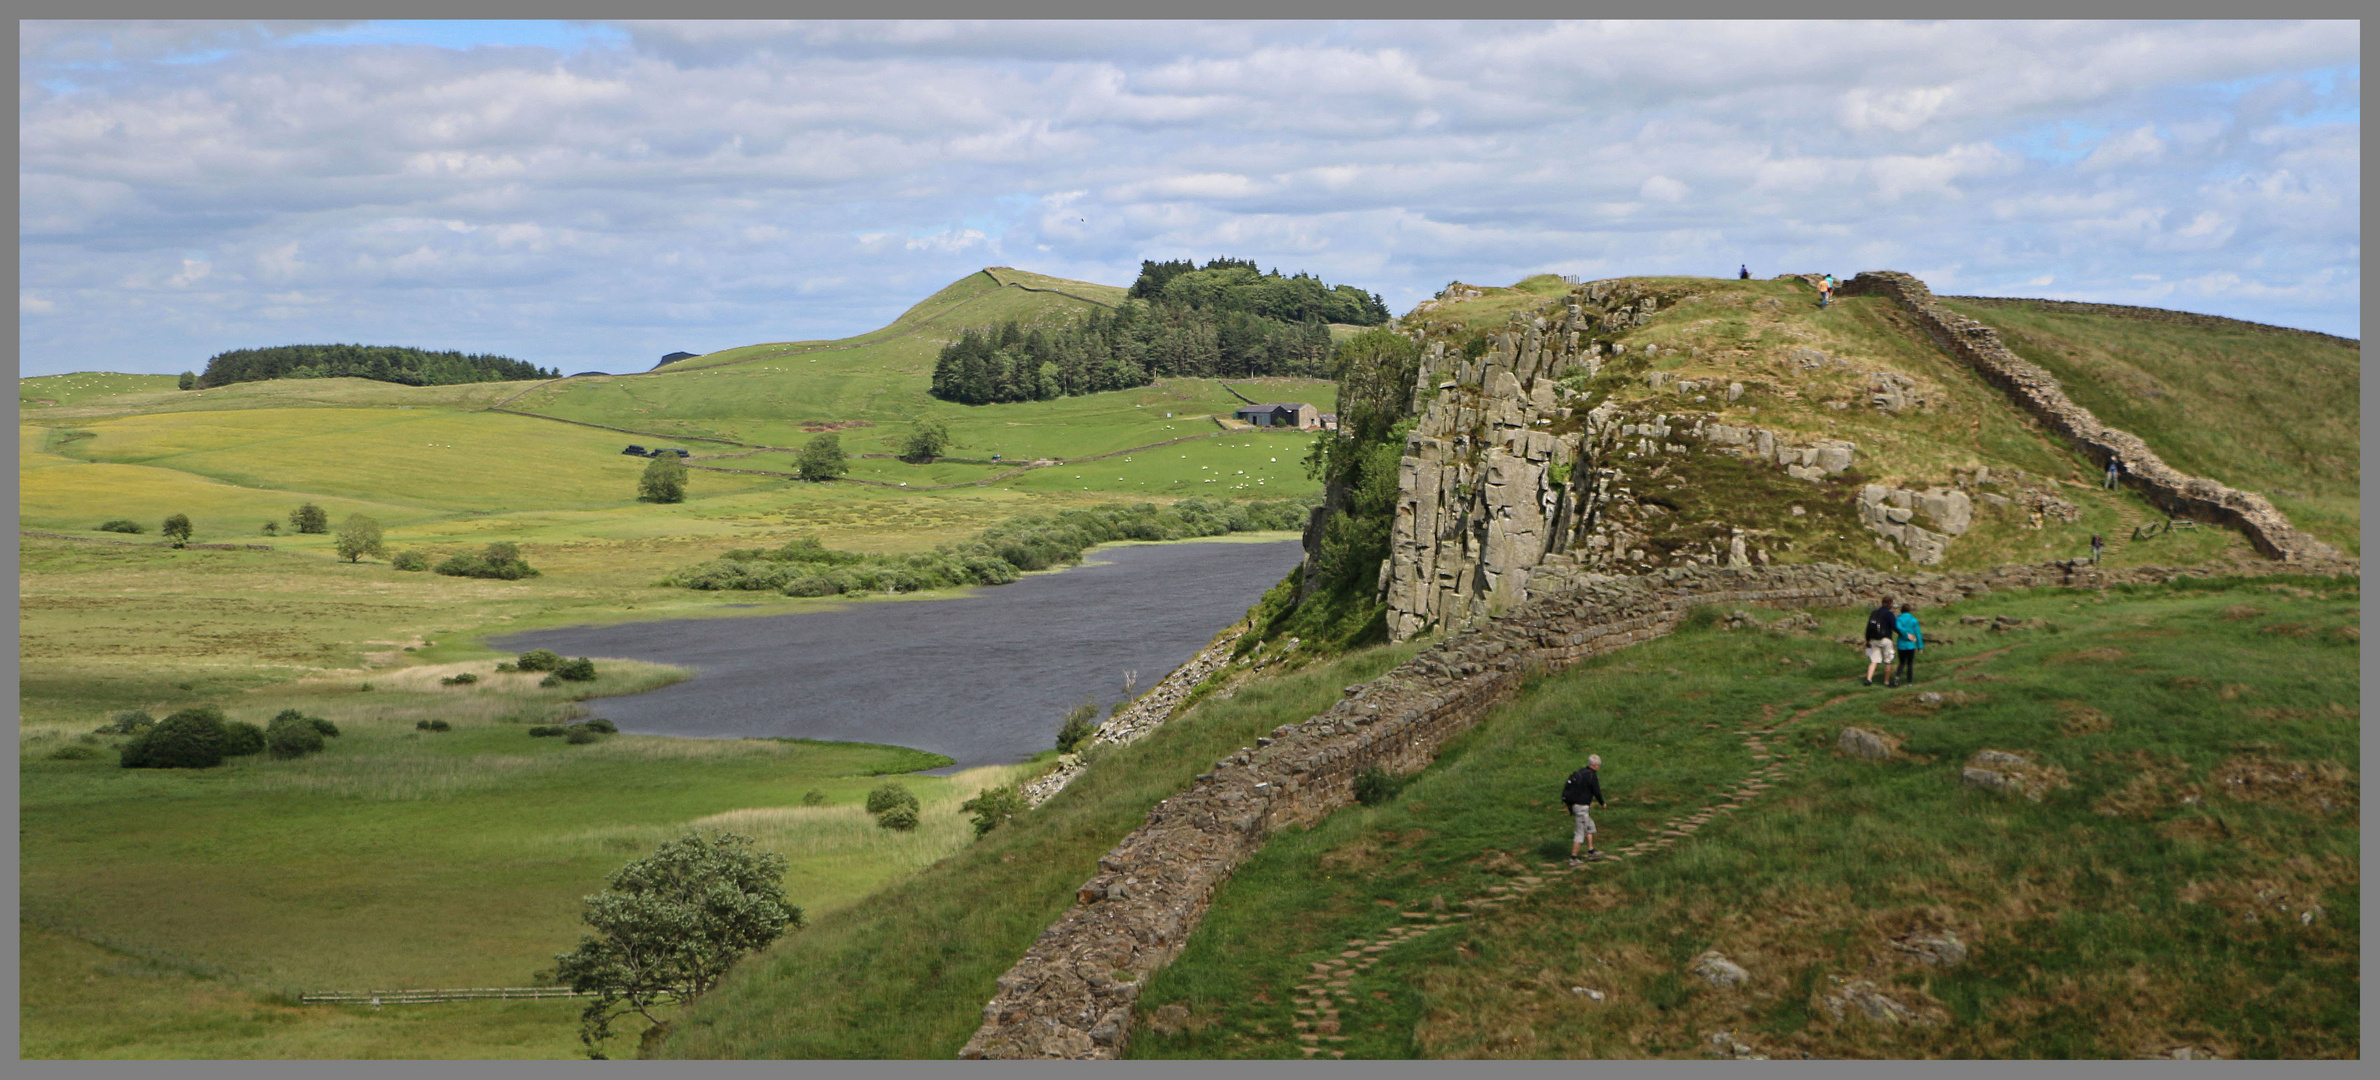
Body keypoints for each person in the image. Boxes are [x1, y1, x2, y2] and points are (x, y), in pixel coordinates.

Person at [1562, 755, 1608, 865]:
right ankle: (1573, 858)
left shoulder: (1581, 772)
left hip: (1576, 806)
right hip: (1582, 808)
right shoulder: (1592, 776)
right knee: (1580, 833)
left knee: (1590, 827)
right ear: (1596, 765)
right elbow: (1597, 791)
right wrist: (1602, 803)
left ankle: (1591, 851)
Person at [1862, 595, 1897, 686]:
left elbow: (1869, 627)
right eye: (1891, 603)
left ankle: (1869, 679)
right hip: (1886, 639)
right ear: (1889, 604)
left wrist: (1867, 640)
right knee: (1888, 661)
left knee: (1874, 661)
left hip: (1874, 639)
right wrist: (1902, 634)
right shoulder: (1889, 614)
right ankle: (1886, 682)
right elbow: (1894, 626)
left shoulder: (1874, 613)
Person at [1892, 603, 1923, 687]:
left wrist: (1905, 634)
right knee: (1910, 663)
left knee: (1901, 662)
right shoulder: (1914, 620)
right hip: (1910, 645)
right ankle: (1909, 682)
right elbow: (1918, 633)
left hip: (1901, 644)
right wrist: (1920, 646)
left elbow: (1898, 628)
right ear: (1910, 610)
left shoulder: (1898, 619)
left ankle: (1897, 677)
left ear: (1901, 610)